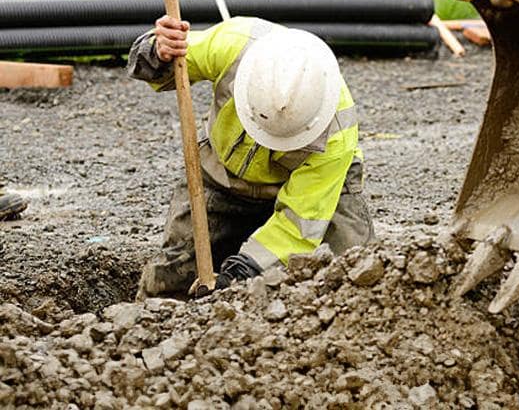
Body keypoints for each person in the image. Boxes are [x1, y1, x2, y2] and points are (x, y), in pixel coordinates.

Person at [128, 15, 375, 298]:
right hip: (223, 176)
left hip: (319, 195)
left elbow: (298, 226)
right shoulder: (234, 45)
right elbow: (171, 65)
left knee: (355, 281)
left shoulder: (336, 136)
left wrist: (239, 275)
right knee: (170, 281)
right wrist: (159, 52)